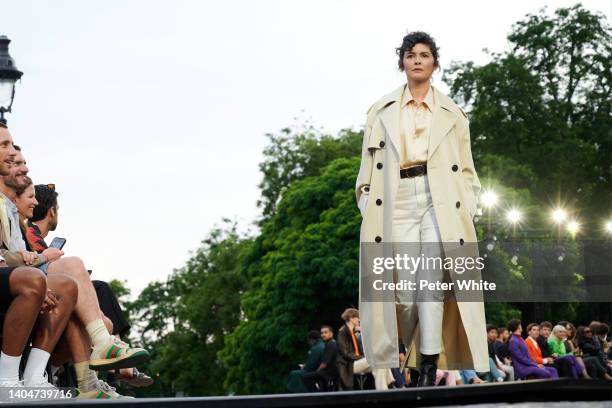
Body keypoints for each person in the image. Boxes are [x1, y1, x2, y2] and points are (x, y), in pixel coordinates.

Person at [355, 30, 487, 387]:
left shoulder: (453, 113)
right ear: (402, 62)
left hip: (437, 198)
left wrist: (467, 206)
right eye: (411, 54)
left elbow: (468, 169)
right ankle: (401, 351)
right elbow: (365, 172)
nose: (417, 60)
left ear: (434, 63)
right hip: (394, 199)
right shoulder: (380, 110)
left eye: (424, 54)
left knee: (431, 280)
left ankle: (427, 364)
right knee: (403, 292)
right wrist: (368, 203)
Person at [336, 308, 393, 390]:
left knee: (379, 366)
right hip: (348, 365)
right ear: (351, 318)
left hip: (356, 362)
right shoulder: (343, 332)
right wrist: (362, 358)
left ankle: (383, 390)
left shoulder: (353, 332)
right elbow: (345, 353)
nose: (359, 320)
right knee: (378, 359)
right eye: (357, 317)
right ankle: (389, 384)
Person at [301, 326, 339, 392]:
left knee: (305, 377)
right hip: (332, 371)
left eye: (325, 333)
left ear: (331, 334)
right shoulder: (333, 342)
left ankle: (317, 396)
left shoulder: (330, 344)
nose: (323, 335)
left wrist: (318, 371)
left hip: (329, 372)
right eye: (322, 333)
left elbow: (324, 364)